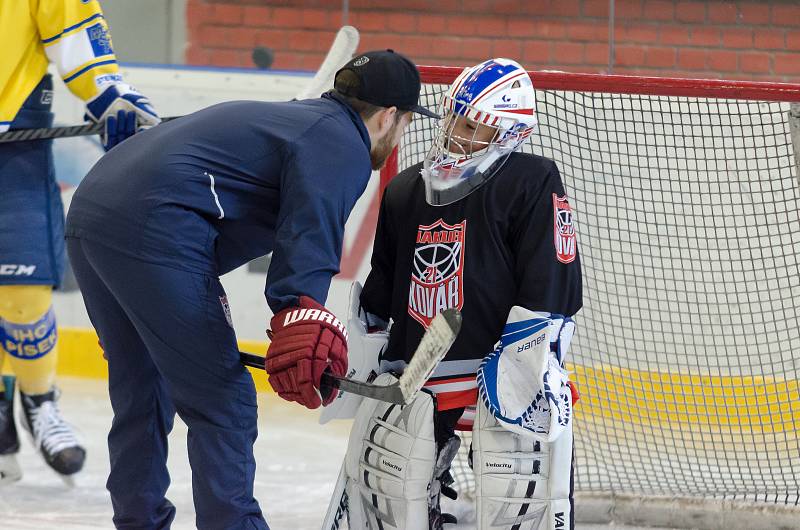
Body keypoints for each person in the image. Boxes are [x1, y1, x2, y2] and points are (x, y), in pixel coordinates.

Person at [64, 49, 437, 528]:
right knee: (224, 402)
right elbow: (310, 231)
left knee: (142, 388)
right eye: (405, 122)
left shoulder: (298, 120)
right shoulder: (341, 140)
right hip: (155, 229)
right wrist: (299, 309)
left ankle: (139, 521)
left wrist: (296, 309)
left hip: (91, 214)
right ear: (390, 117)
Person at [331, 58, 583, 529]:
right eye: (454, 119)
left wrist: (524, 367)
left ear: (509, 133)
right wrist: (361, 357)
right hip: (416, 374)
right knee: (388, 487)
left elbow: (550, 281)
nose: (456, 135)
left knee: (515, 493)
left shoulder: (529, 181)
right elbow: (383, 285)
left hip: (496, 369)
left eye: (472, 127)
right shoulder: (406, 188)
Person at [0, 0, 158, 485]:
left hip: (13, 151)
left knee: (22, 296)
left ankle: (39, 400)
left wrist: (109, 96)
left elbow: (75, 35)